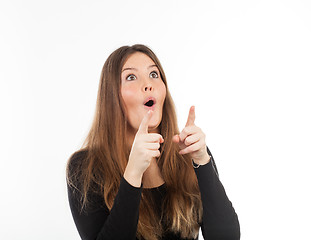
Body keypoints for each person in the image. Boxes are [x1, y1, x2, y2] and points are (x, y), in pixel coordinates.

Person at [66, 44, 240, 240]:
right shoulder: (85, 167)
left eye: (154, 74)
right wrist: (133, 173)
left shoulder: (188, 153)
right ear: (112, 96)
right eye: (131, 77)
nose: (148, 84)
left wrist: (202, 162)